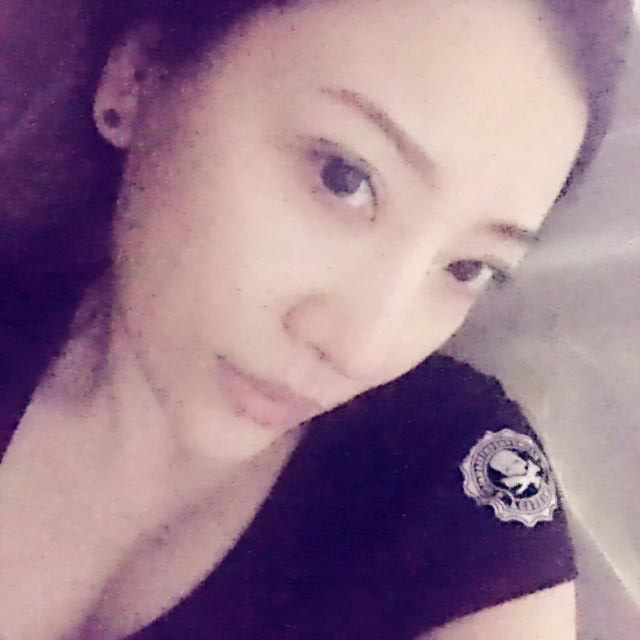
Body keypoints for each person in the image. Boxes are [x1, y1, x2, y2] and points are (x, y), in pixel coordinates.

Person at [0, 0, 632, 638]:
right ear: (137, 77)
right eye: (343, 178)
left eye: (469, 268)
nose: (363, 350)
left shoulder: (455, 498)